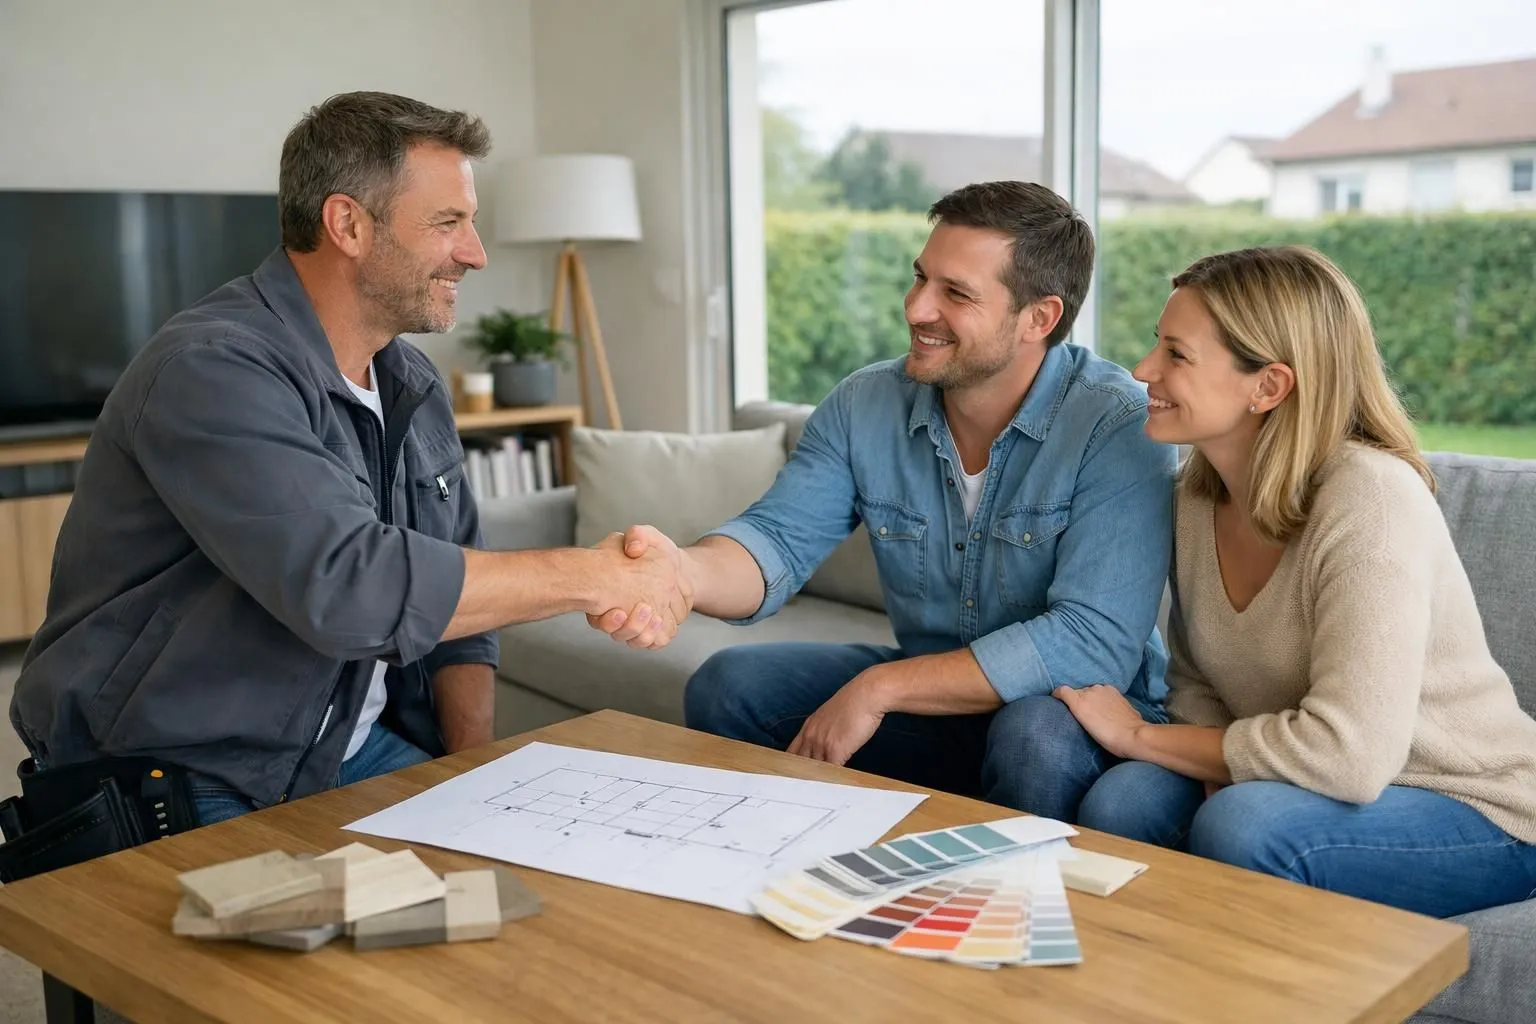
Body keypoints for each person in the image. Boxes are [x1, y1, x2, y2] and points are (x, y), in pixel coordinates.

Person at [7, 92, 687, 831]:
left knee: (544, 882)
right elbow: (352, 586)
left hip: (340, 750)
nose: (476, 252)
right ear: (348, 224)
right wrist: (597, 576)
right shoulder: (212, 370)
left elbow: (460, 606)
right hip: (189, 768)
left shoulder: (411, 385)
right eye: (448, 222)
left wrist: (468, 779)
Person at [593, 181, 1176, 821]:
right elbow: (778, 539)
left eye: (956, 294)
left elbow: (1089, 644)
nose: (917, 308)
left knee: (1032, 736)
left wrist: (880, 689)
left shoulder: (1116, 422)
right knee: (728, 687)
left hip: (1068, 714)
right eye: (920, 277)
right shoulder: (864, 403)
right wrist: (682, 571)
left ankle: (1009, 902)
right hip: (934, 695)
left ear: (1039, 318)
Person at [1060, 245, 1536, 919]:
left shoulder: (1370, 500)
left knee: (1245, 826)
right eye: (1154, 346)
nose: (1144, 370)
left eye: (1177, 354)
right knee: (1123, 800)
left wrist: (1139, 736)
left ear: (1269, 386)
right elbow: (1197, 686)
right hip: (1302, 783)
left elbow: (1350, 759)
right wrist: (1193, 760)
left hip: (1473, 806)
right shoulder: (1197, 498)